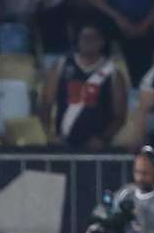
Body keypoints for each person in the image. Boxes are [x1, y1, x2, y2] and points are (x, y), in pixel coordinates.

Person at [39, 21, 128, 149]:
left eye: (93, 38)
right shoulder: (61, 66)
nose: (88, 42)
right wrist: (50, 136)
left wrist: (103, 138)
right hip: (63, 143)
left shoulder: (113, 73)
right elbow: (45, 103)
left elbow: (120, 115)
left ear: (102, 42)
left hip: (97, 146)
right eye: (84, 37)